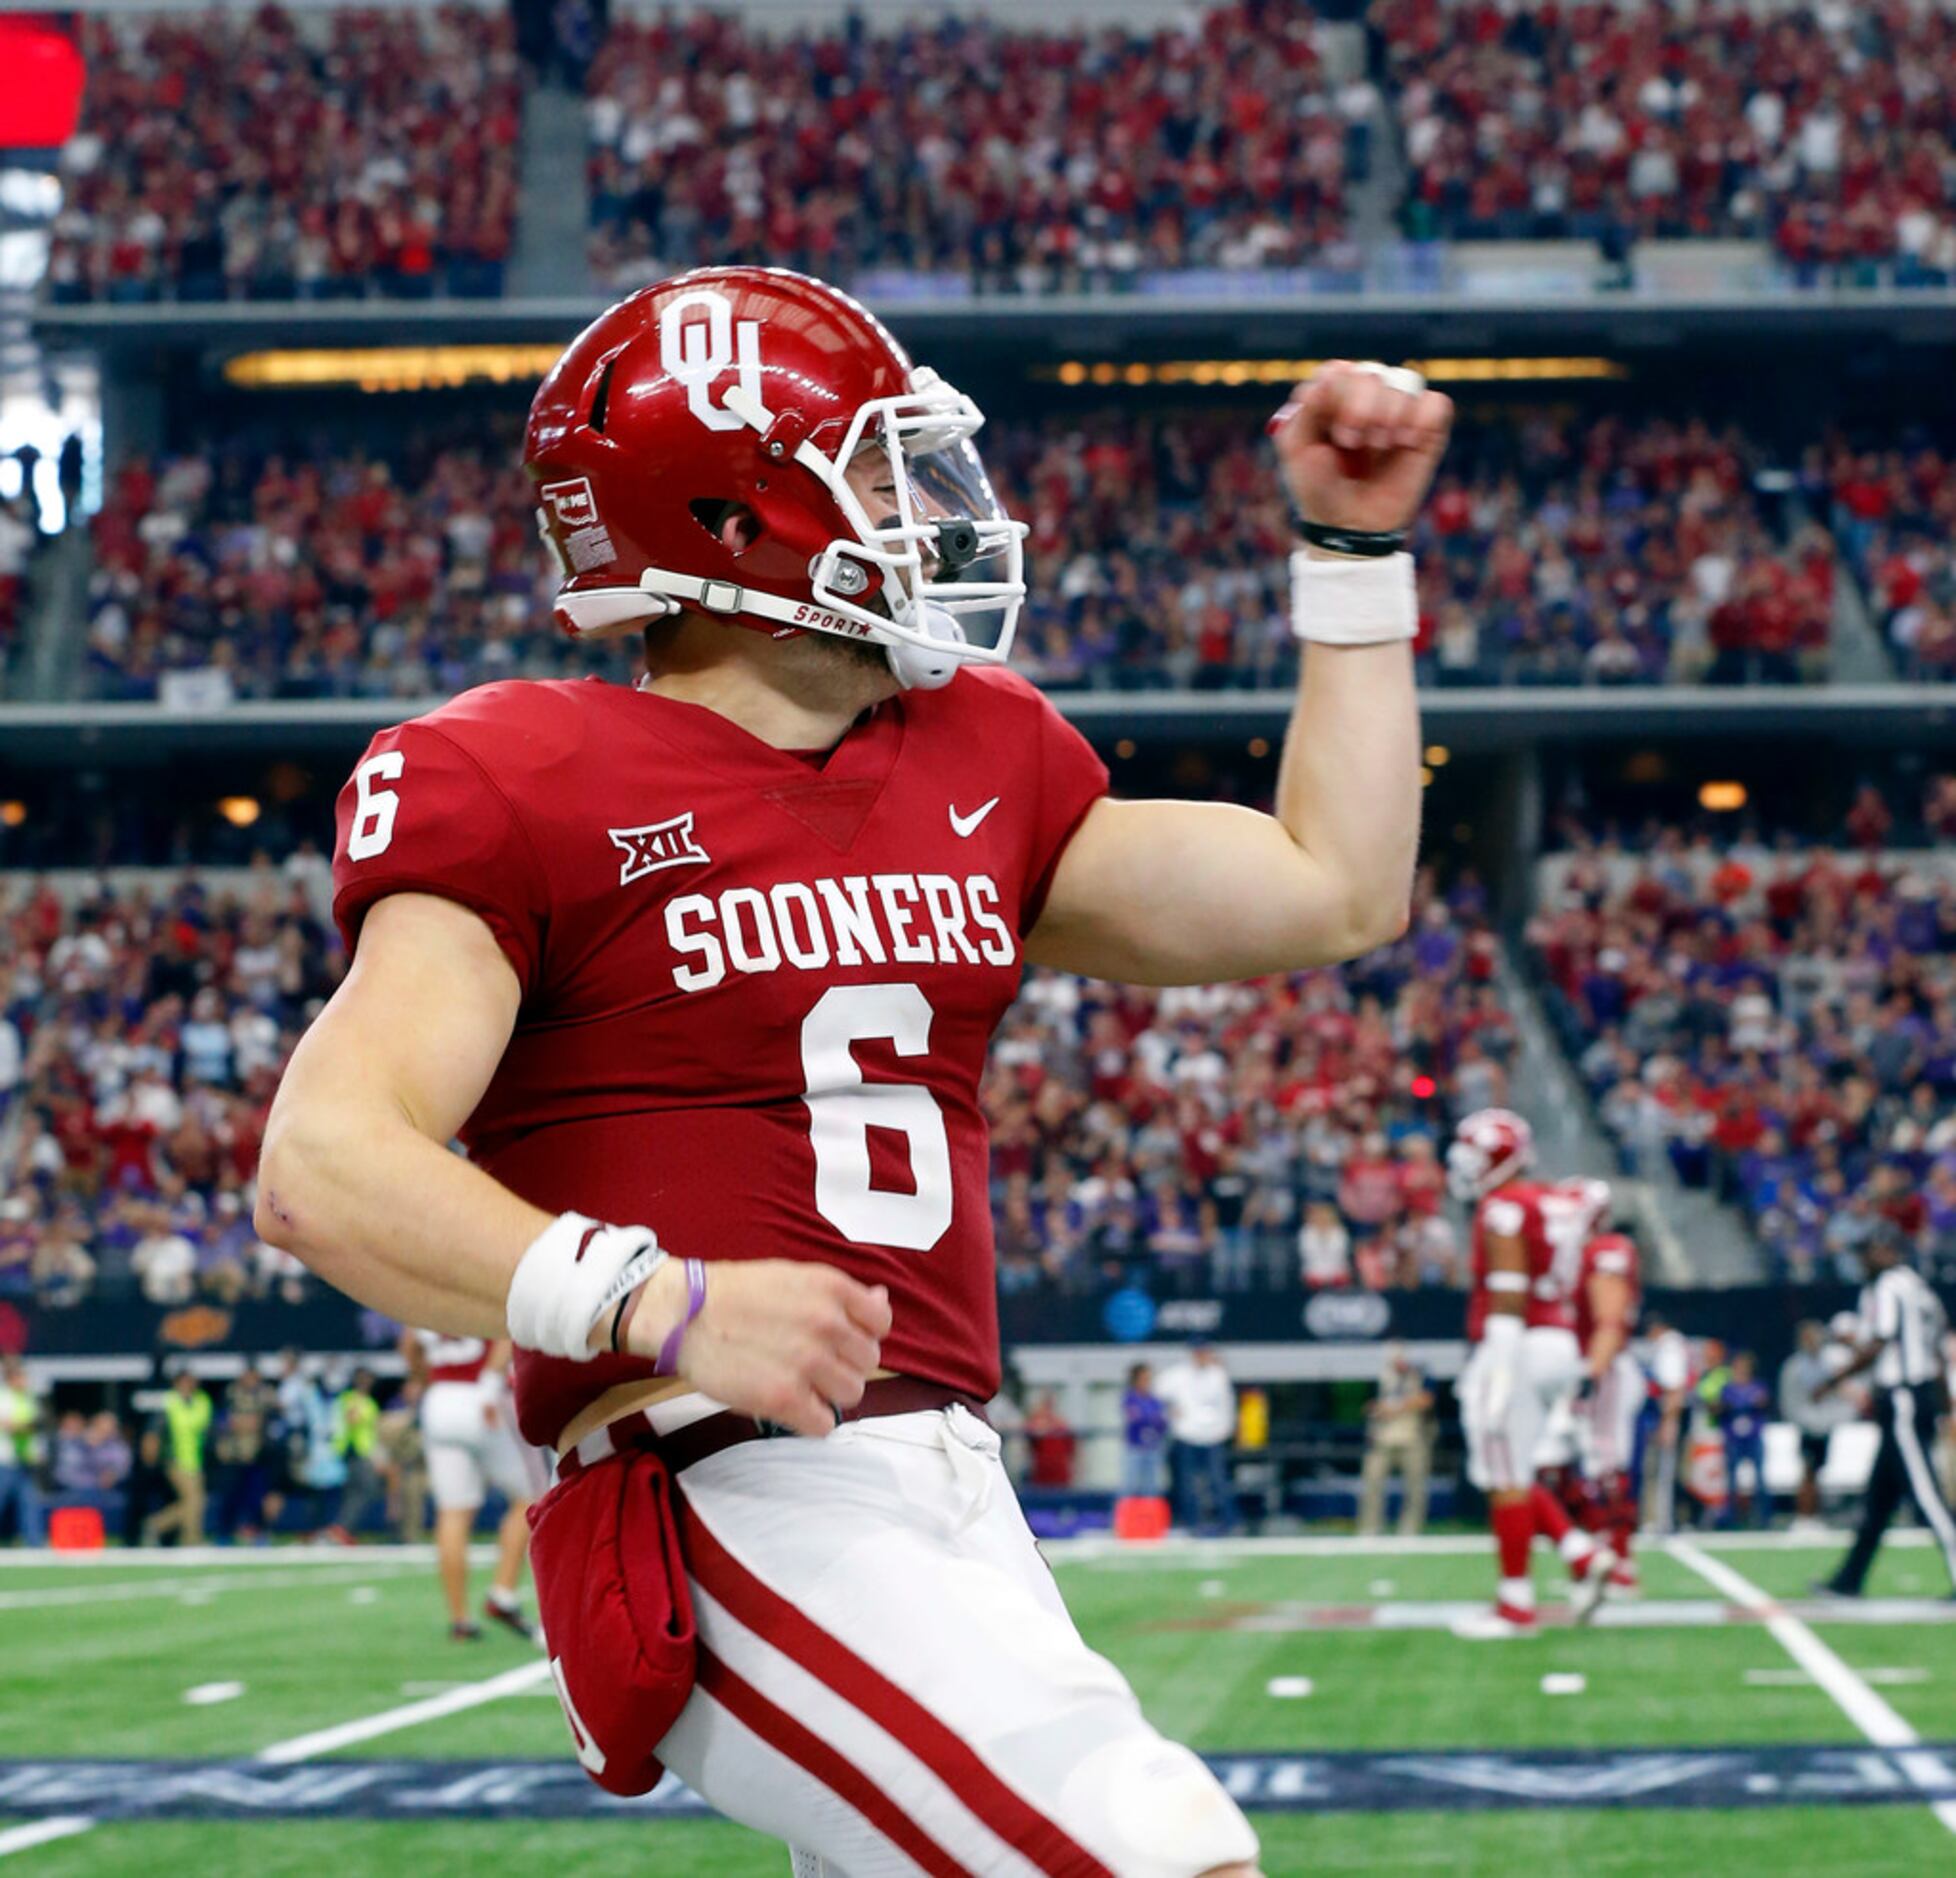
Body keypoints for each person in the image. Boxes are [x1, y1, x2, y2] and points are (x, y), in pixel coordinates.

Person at [257, 264, 1448, 1876]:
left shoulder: (979, 750)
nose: (931, 508)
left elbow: (1335, 886)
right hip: (722, 1483)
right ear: (736, 523)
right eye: (881, 470)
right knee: (1149, 1846)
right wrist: (660, 1297)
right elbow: (323, 1162)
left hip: (954, 1482)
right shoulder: (525, 773)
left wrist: (1354, 557)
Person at [1449, 1111, 1618, 1637]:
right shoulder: (1553, 1199)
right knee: (1510, 1469)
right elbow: (1595, 1197)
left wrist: (1498, 1368)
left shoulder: (1503, 1206)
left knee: (1505, 1475)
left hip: (1517, 1341)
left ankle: (1515, 1604)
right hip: (1557, 1338)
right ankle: (1579, 1552)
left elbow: (1508, 1290)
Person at [1815, 1227, 1956, 1598]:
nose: (1863, 1259)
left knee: (1927, 1496)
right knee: (1879, 1500)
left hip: (1903, 1398)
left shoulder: (1889, 1287)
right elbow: (1939, 1347)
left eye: (1869, 1250)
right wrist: (1943, 1402)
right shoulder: (1919, 1288)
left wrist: (1831, 1381)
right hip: (1914, 1396)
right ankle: (1849, 1579)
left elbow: (1879, 1342)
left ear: (1889, 1250)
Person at [404, 1329, 545, 1641]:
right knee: (533, 1498)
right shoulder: (471, 1286)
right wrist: (489, 1383)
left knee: (452, 1512)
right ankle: (503, 1592)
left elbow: (410, 1342)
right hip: (481, 1397)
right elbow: (507, 1332)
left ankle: (460, 1619)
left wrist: (423, 1379)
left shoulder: (428, 1293)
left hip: (440, 1399)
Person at [1573, 1218, 1642, 1589]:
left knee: (1607, 1463)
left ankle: (1618, 1559)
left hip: (1607, 1367)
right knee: (1590, 1467)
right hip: (1599, 1366)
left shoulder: (1607, 1251)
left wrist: (1591, 1372)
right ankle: (1599, 1550)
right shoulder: (1585, 1254)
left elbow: (1610, 1319)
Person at [1155, 1340, 1239, 1535]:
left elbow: (1227, 1405)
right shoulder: (1177, 1375)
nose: (1202, 1356)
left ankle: (1229, 1522)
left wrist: (1224, 1430)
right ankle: (1191, 1523)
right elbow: (1156, 1393)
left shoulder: (1218, 1375)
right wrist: (1168, 1411)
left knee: (1218, 1481)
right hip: (1187, 1435)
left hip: (1212, 1437)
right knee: (1186, 1483)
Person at [1781, 1319, 1853, 1530]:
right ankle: (1803, 1517)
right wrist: (1802, 1421)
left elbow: (1836, 1395)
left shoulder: (1827, 1364)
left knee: (1818, 1472)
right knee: (1807, 1472)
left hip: (1823, 1427)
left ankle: (1814, 1516)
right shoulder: (1794, 1367)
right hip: (1806, 1427)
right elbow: (1790, 1400)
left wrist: (1831, 1419)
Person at [1356, 1342, 1433, 1536]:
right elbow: (1367, 1406)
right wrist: (1378, 1409)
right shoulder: (1380, 1376)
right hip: (1382, 1437)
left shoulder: (1421, 1373)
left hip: (1413, 1437)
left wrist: (1396, 1407)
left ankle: (1410, 1529)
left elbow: (1426, 1400)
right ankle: (1370, 1527)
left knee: (1415, 1486)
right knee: (1372, 1482)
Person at [1639, 1308, 1693, 1534]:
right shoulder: (1672, 1345)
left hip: (1667, 1417)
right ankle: (1665, 1520)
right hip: (1666, 1415)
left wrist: (1668, 1422)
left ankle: (1663, 1521)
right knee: (1663, 1470)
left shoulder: (1669, 1346)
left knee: (1663, 1471)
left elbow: (1674, 1388)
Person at [145, 1368, 212, 1547]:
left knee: (195, 1502)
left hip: (196, 1461)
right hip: (174, 1459)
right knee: (194, 1499)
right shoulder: (169, 1402)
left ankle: (156, 1524)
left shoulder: (202, 1402)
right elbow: (155, 1430)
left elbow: (205, 1430)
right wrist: (152, 1450)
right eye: (184, 1381)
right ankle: (191, 1539)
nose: (188, 1385)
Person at [1717, 1351, 1772, 1529]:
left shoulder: (1757, 1386)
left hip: (1753, 1437)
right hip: (1733, 1438)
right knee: (1732, 1481)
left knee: (1760, 1480)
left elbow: (1763, 1401)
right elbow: (1720, 1406)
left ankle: (1763, 1519)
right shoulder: (1728, 1388)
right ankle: (1733, 1519)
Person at [332, 1368, 385, 1540]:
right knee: (366, 1488)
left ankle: (346, 1529)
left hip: (364, 1451)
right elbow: (348, 1420)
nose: (366, 1382)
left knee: (355, 1491)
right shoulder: (350, 1398)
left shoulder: (370, 1402)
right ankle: (343, 1527)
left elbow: (373, 1431)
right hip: (353, 1450)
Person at [0, 1357, 44, 1546]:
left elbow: (34, 1430)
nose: (25, 1380)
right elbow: (8, 1425)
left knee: (30, 1505)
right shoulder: (3, 1397)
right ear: (11, 1378)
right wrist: (24, 1427)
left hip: (25, 1462)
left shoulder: (28, 1399)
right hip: (5, 1461)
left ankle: (35, 1546)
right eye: (21, 1377)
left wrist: (37, 1451)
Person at [1120, 1361, 1170, 1500]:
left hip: (1153, 1446)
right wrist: (1154, 1418)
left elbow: (1163, 1422)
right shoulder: (1130, 1398)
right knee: (1129, 1485)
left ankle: (1149, 1519)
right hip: (1135, 1447)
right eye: (1144, 1378)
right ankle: (1123, 1519)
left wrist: (1156, 1419)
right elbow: (1137, 1418)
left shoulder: (1154, 1399)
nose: (1147, 1382)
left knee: (1151, 1487)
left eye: (1149, 1378)